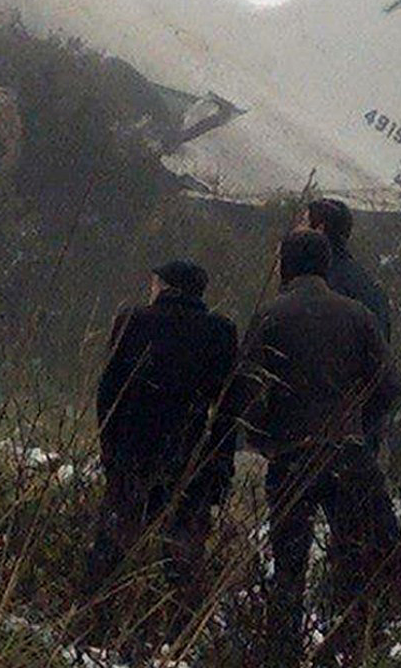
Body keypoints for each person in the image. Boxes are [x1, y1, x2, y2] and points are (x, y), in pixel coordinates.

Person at [238, 231, 401, 666]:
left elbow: (248, 390)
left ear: (287, 265)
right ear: (325, 265)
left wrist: (263, 439)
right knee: (353, 559)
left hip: (291, 457)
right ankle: (348, 650)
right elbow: (389, 386)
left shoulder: (270, 316)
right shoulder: (357, 314)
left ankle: (282, 652)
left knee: (289, 565)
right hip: (347, 454)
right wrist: (359, 426)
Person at [85, 259, 239, 637]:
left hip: (132, 455)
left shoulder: (132, 320)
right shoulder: (220, 332)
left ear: (164, 286)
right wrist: (219, 465)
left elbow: (108, 393)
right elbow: (228, 408)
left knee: (112, 547)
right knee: (183, 556)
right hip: (190, 459)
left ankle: (96, 626)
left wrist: (110, 449)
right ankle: (178, 636)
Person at [304, 198, 392, 343]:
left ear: (319, 229)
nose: (296, 230)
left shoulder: (322, 283)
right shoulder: (367, 283)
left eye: (303, 223)